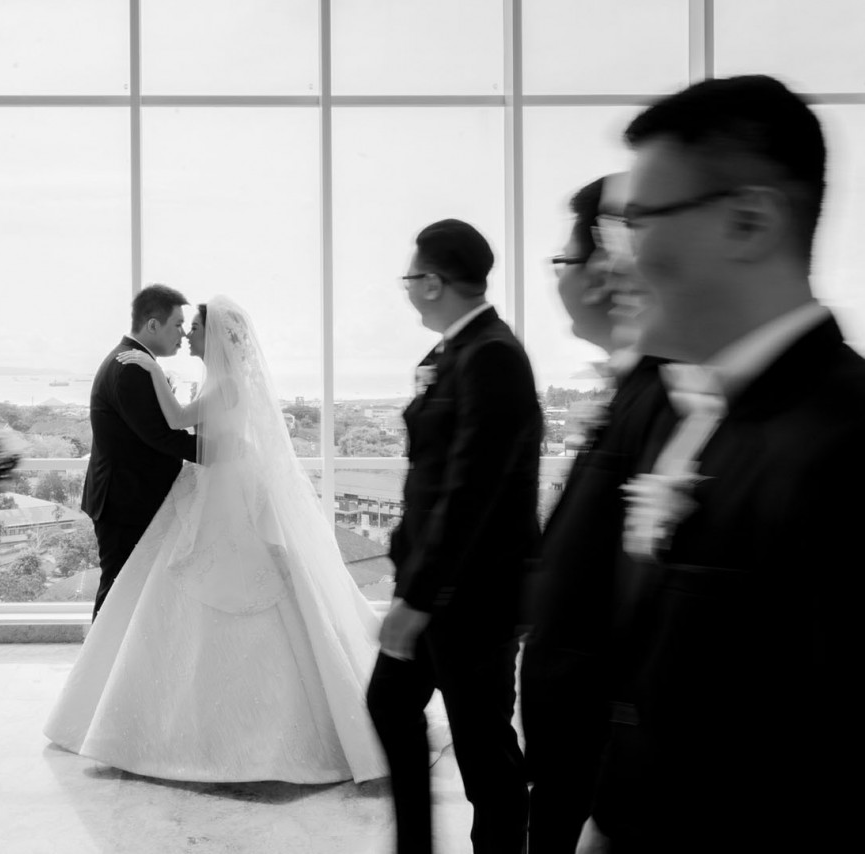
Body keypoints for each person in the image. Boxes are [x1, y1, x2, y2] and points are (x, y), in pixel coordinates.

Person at [577, 74, 864, 854]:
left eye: (637, 222)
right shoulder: (703, 414)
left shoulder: (846, 447)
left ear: (748, 221)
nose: (611, 263)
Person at [44, 296, 388, 784]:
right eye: (182, 325)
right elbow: (188, 432)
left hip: (220, 491)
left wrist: (156, 373)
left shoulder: (218, 381)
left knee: (196, 581)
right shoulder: (211, 378)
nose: (187, 333)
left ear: (218, 336)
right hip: (208, 485)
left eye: (195, 326)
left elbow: (177, 423)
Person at [366, 220, 542, 854]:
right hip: (436, 588)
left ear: (434, 282)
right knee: (390, 703)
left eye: (411, 277)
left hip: (472, 597)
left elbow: (471, 492)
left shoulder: (492, 355)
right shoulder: (450, 354)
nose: (408, 289)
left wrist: (418, 598)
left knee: (484, 751)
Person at [520, 176, 668, 854]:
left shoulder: (659, 397)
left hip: (599, 769)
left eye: (564, 260)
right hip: (570, 752)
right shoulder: (632, 387)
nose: (561, 278)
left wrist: (611, 809)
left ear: (605, 268)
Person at [80, 284, 199, 618]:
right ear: (153, 325)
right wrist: (225, 452)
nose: (183, 334)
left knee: (132, 595)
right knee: (118, 595)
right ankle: (100, 655)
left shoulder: (134, 361)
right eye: (177, 324)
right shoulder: (131, 367)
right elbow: (162, 436)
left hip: (129, 499)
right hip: (124, 503)